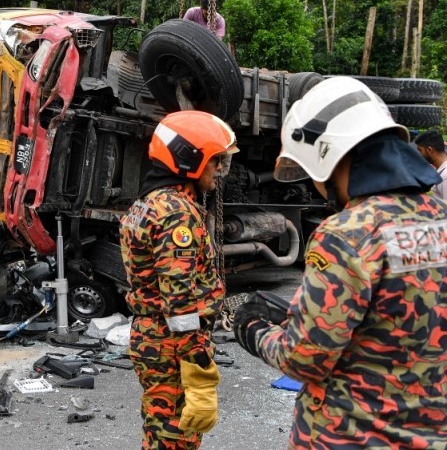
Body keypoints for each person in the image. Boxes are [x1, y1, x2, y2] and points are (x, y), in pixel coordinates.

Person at [233, 77, 447, 448]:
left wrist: (252, 329)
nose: (317, 186)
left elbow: (305, 359)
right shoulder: (441, 217)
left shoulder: (346, 234)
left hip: (350, 436)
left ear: (330, 155)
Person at [120, 110, 238, 449]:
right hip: (172, 342)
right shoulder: (177, 214)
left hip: (154, 336)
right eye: (215, 160)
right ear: (189, 160)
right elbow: (179, 298)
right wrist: (197, 360)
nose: (219, 169)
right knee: (175, 436)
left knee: (160, 429)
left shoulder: (148, 204)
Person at [413, 128, 447, 199]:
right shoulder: (438, 169)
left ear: (429, 150)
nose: (419, 154)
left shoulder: (445, 176)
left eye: (420, 150)